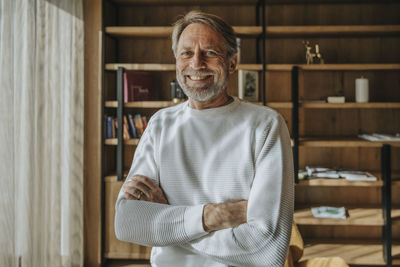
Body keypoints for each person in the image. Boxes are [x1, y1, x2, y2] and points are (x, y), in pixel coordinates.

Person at [115, 10, 294, 267]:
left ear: (232, 62)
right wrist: (214, 215)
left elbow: (267, 248)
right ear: (177, 61)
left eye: (210, 53)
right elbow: (127, 224)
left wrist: (169, 221)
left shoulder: (265, 125)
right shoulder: (160, 124)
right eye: (186, 53)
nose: (196, 64)